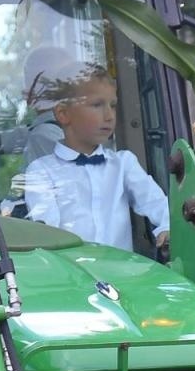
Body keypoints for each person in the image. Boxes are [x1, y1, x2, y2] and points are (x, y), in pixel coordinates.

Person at [22, 65, 170, 251]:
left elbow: (156, 202)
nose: (109, 116)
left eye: (113, 105)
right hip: (72, 274)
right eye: (97, 105)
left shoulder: (123, 164)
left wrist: (166, 227)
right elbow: (49, 234)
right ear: (63, 114)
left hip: (121, 275)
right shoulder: (41, 171)